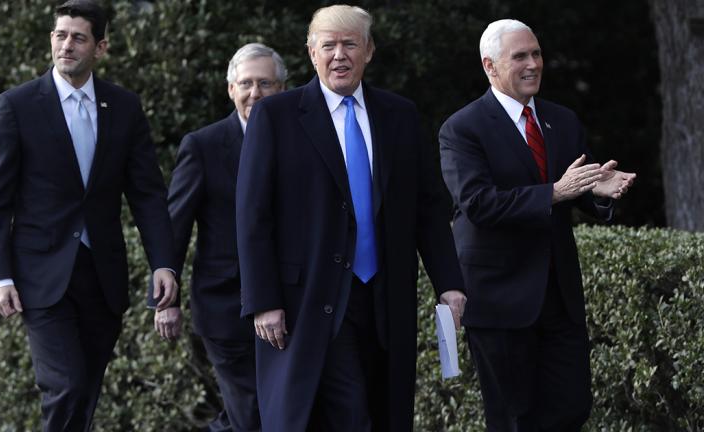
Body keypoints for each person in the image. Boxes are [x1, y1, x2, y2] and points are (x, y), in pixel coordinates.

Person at [235, 5, 465, 431]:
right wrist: (263, 300)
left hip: (384, 298)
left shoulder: (399, 115)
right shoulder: (276, 116)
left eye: (350, 44)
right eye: (329, 46)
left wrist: (449, 284)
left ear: (369, 50)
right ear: (311, 53)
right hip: (307, 300)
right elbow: (252, 216)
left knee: (383, 411)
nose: (339, 55)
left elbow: (428, 208)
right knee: (345, 412)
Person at [0, 1, 178, 430]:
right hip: (41, 275)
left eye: (78, 37)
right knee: (65, 385)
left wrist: (163, 261)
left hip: (102, 275)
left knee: (84, 390)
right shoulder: (17, 106)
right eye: (60, 35)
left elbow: (146, 194)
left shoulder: (124, 107)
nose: (66, 45)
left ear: (100, 47)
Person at [439, 19, 636, 431]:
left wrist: (598, 194)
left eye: (537, 53)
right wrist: (555, 193)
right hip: (500, 301)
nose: (533, 64)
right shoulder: (462, 128)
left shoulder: (561, 120)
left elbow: (575, 189)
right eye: (520, 57)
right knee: (514, 419)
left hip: (559, 298)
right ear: (490, 66)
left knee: (572, 408)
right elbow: (478, 204)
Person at [154, 42, 286, 432]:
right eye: (245, 83)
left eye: (265, 83)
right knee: (250, 411)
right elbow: (174, 225)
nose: (255, 93)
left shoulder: (301, 141)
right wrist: (166, 299)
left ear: (282, 88)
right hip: (225, 306)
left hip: (290, 303)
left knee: (266, 409)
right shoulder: (203, 146)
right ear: (230, 89)